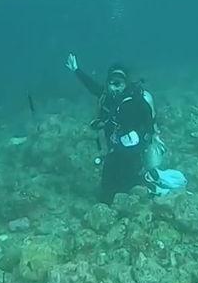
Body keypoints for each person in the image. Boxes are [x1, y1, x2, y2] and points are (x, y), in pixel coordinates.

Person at [64, 54, 185, 202]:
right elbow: (92, 87)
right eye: (111, 83)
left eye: (118, 84)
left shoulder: (133, 102)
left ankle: (154, 184)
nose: (114, 88)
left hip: (134, 151)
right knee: (108, 189)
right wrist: (76, 70)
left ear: (125, 84)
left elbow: (148, 123)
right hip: (116, 149)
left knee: (128, 185)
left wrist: (139, 136)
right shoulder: (106, 96)